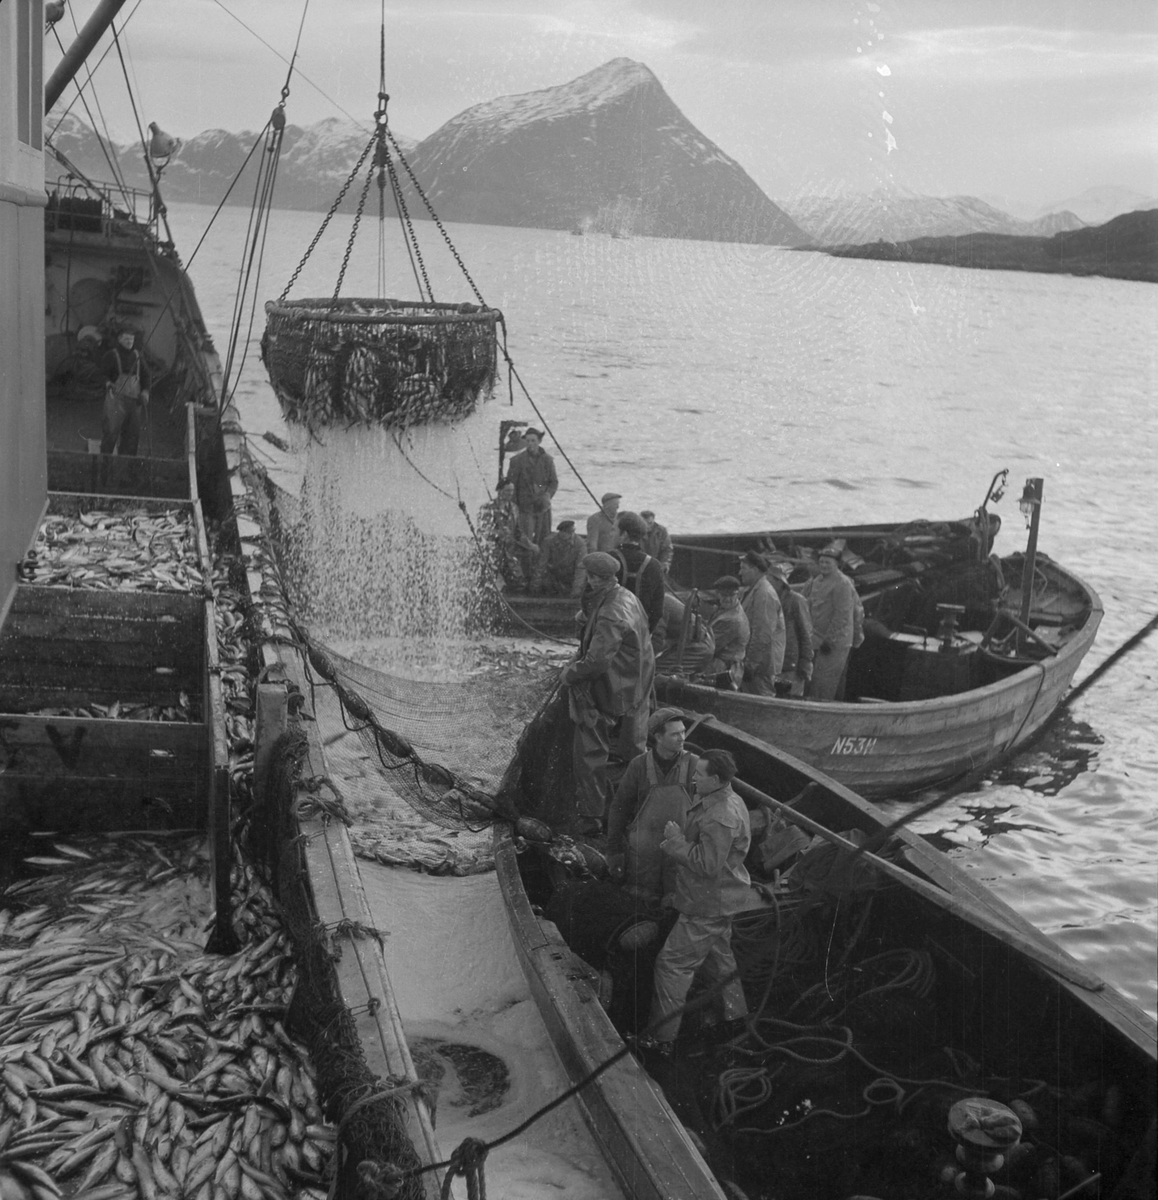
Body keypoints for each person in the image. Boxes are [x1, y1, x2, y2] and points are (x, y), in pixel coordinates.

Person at [642, 748, 754, 1052]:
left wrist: (676, 841)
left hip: (706, 905)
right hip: (723, 900)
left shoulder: (719, 816)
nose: (693, 777)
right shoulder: (731, 799)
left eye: (699, 774)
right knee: (719, 959)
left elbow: (707, 865)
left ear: (715, 779)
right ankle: (735, 1017)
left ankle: (660, 1040)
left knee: (671, 965)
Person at [560, 552, 655, 836]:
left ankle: (591, 818)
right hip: (638, 682)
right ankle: (642, 807)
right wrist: (587, 616)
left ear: (594, 578)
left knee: (589, 750)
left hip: (614, 688)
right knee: (635, 750)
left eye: (588, 576)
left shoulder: (611, 613)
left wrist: (570, 673)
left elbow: (597, 662)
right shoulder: (626, 596)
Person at [606, 707, 697, 899]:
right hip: (643, 856)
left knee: (676, 901)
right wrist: (614, 850)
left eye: (683, 732)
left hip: (679, 854)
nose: (682, 738)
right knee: (641, 902)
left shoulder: (695, 765)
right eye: (675, 734)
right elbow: (619, 807)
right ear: (658, 737)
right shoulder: (638, 766)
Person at [804, 546, 865, 700]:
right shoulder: (816, 581)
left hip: (836, 640)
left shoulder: (842, 583)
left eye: (828, 563)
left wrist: (829, 640)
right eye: (822, 562)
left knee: (825, 681)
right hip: (817, 637)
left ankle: (823, 710)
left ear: (836, 564)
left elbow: (842, 615)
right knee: (816, 679)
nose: (824, 565)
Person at [738, 551, 785, 697]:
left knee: (762, 697)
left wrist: (751, 665)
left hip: (760, 665)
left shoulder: (764, 593)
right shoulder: (754, 590)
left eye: (743, 568)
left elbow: (763, 633)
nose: (740, 573)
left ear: (756, 569)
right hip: (756, 661)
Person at [504, 428, 558, 551]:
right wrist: (513, 507)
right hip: (525, 507)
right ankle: (526, 565)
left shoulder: (548, 460)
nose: (530, 444)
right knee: (525, 540)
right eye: (528, 441)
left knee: (544, 538)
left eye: (533, 441)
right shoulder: (517, 461)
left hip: (543, 506)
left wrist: (547, 496)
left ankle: (540, 566)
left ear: (539, 441)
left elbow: (554, 482)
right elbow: (511, 485)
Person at [613, 512, 666, 636]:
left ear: (624, 534)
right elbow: (658, 610)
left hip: (610, 633)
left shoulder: (609, 559)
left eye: (614, 530)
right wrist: (646, 633)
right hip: (639, 633)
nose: (611, 534)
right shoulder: (654, 565)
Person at [100, 327, 151, 455]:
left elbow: (146, 375)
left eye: (132, 339)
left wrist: (145, 391)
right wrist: (107, 383)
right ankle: (105, 464)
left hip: (135, 402)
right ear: (119, 339)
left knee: (132, 436)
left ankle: (126, 467)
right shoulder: (111, 355)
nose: (129, 342)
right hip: (116, 400)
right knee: (111, 432)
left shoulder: (138, 355)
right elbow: (101, 374)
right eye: (126, 339)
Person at [768, 561, 814, 696]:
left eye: (770, 581)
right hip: (775, 663)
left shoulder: (796, 601)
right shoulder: (770, 600)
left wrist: (806, 661)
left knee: (792, 697)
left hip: (791, 664)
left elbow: (806, 633)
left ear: (779, 582)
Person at [701, 576, 750, 690]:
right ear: (718, 594)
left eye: (731, 595)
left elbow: (709, 647)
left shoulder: (732, 619)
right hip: (724, 667)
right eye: (724, 596)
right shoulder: (728, 610)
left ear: (737, 594)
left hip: (722, 670)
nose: (727, 599)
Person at [655, 591, 716, 674]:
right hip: (691, 643)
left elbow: (656, 640)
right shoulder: (661, 598)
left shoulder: (658, 603)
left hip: (697, 646)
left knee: (652, 671)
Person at [532, 519, 585, 596]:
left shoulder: (580, 544)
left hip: (570, 576)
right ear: (560, 532)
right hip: (554, 575)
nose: (567, 535)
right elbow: (541, 564)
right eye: (564, 532)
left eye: (570, 532)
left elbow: (580, 568)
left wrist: (577, 588)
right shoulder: (549, 541)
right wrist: (535, 584)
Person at [639, 510, 674, 574]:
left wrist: (665, 563)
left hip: (657, 564)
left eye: (650, 523)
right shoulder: (635, 531)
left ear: (653, 520)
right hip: (640, 565)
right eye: (644, 523)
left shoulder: (661, 531)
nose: (647, 526)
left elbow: (667, 549)